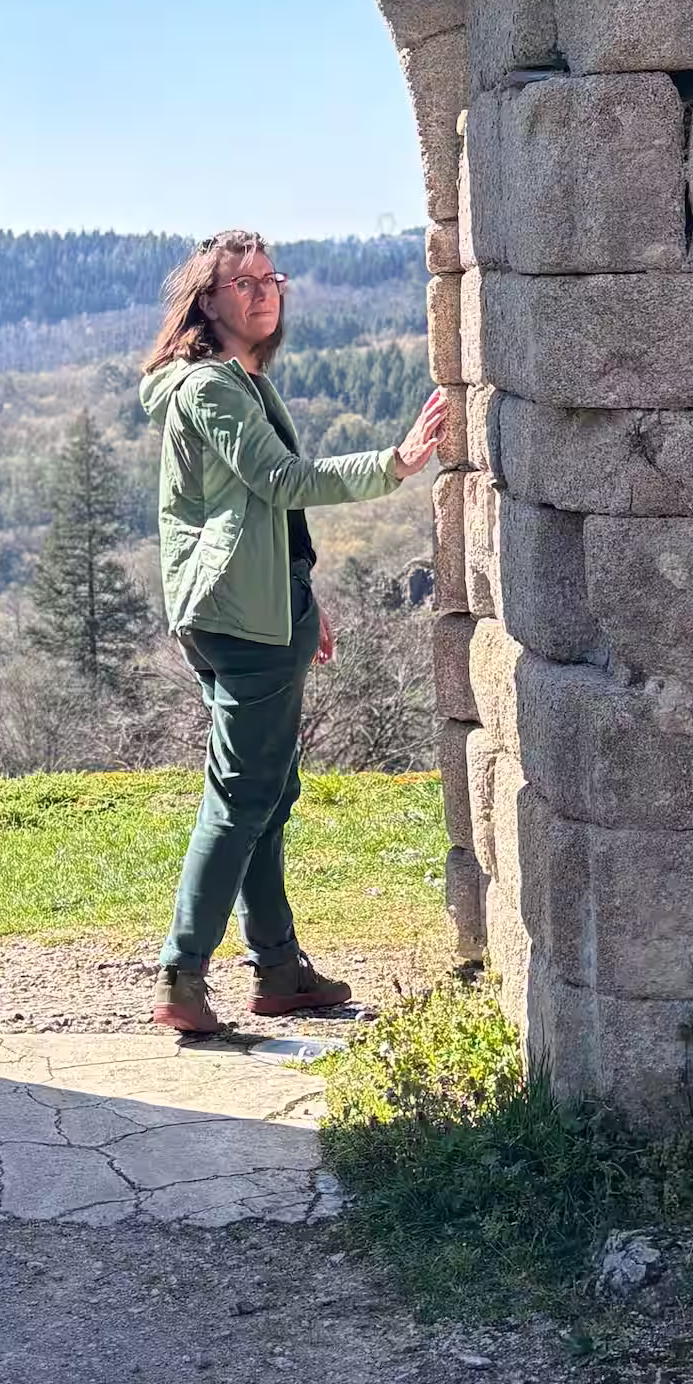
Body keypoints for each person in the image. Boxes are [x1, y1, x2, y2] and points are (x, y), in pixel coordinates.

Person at [138, 230, 446, 1035]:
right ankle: (181, 975)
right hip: (242, 622)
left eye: (271, 280)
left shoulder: (235, 380)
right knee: (242, 799)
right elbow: (278, 481)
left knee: (267, 795)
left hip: (251, 612)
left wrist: (303, 606)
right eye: (242, 284)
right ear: (208, 301)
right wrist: (398, 461)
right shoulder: (209, 388)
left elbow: (258, 519)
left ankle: (278, 971)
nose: (263, 294)